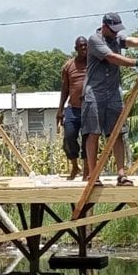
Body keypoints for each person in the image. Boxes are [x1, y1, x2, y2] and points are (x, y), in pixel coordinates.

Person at [83, 12, 138, 186]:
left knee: (117, 133)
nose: (115, 33)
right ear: (104, 26)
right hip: (94, 94)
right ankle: (93, 175)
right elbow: (113, 58)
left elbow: (134, 42)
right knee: (94, 134)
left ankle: (121, 175)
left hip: (113, 94)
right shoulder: (94, 40)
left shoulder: (117, 38)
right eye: (113, 30)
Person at [56, 36, 88, 180]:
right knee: (69, 138)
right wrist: (60, 110)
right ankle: (75, 166)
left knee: (88, 140)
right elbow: (65, 89)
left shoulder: (94, 64)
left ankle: (87, 170)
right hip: (72, 109)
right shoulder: (68, 66)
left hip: (89, 109)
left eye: (86, 45)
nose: (84, 48)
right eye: (80, 46)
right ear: (76, 48)